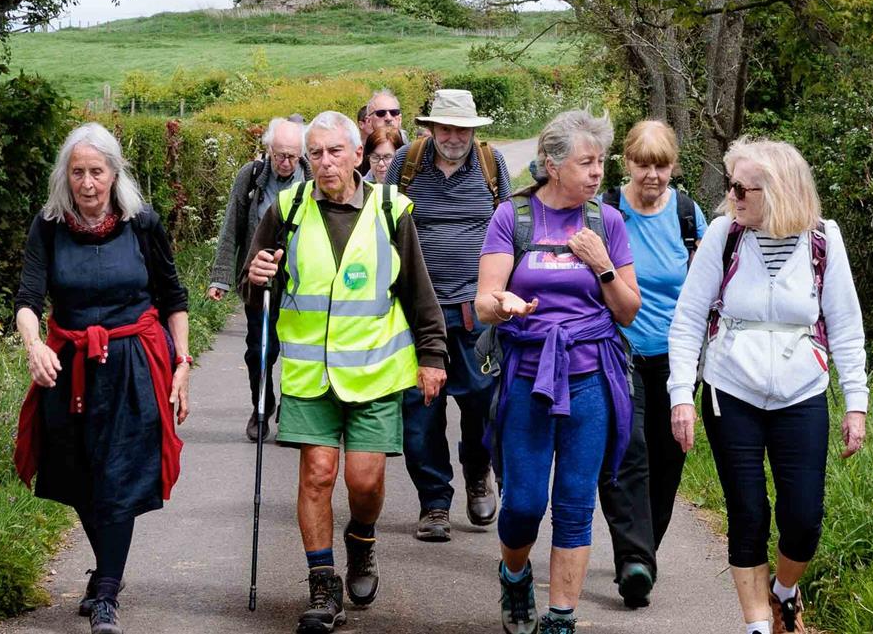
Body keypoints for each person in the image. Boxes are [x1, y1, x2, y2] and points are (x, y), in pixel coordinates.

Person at [242, 110, 448, 634]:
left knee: (364, 479)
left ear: (359, 155)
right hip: (311, 377)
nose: (325, 162)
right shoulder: (285, 210)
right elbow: (258, 295)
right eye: (316, 153)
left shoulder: (390, 210)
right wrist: (257, 278)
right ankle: (322, 583)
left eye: (335, 151)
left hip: (375, 373)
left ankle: (361, 539)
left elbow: (418, 293)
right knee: (317, 474)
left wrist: (432, 357)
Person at [667, 138, 869, 634]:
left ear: (777, 192)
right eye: (731, 185)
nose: (731, 196)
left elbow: (844, 324)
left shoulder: (824, 239)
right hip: (729, 390)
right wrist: (680, 396)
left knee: (803, 519)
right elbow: (688, 319)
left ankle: (783, 593)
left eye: (742, 188)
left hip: (802, 392)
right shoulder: (723, 235)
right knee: (748, 512)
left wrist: (856, 403)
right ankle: (759, 626)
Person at [12, 122, 191, 634]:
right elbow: (27, 300)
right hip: (68, 367)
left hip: (135, 362)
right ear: (65, 178)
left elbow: (173, 300)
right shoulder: (48, 226)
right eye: (78, 173)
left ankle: (108, 591)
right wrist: (34, 345)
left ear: (114, 174)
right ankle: (107, 574)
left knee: (119, 476)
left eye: (96, 172)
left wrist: (183, 365)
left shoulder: (142, 225)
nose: (87, 183)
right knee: (80, 476)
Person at [475, 110, 641, 634]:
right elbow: (483, 302)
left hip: (591, 376)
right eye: (586, 162)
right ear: (550, 164)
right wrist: (505, 305)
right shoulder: (513, 216)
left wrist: (602, 265)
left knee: (575, 502)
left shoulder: (605, 222)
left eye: (601, 162)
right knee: (523, 503)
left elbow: (628, 308)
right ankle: (515, 573)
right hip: (527, 374)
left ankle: (562, 617)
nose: (597, 172)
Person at [385, 88, 512, 542]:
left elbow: (511, 230)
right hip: (418, 314)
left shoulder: (492, 164)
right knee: (420, 413)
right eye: (446, 128)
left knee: (483, 404)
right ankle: (434, 503)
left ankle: (478, 471)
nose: (454, 136)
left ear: (473, 131)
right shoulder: (407, 162)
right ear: (431, 128)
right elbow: (385, 223)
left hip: (475, 314)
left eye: (462, 129)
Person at [595, 120, 707, 608]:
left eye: (662, 166)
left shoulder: (687, 215)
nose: (653, 176)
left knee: (668, 457)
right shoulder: (607, 212)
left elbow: (709, 284)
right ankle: (633, 559)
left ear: (673, 166)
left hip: (678, 355)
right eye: (644, 165)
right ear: (628, 163)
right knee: (628, 446)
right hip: (618, 348)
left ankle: (644, 553)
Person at [207, 116, 311, 443]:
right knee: (259, 348)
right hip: (258, 278)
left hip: (302, 283)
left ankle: (292, 408)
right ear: (268, 149)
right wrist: (221, 278)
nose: (285, 162)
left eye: (292, 156)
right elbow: (232, 227)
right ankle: (261, 406)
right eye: (279, 154)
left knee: (297, 349)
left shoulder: (313, 179)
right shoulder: (250, 177)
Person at [357, 88, 408, 174]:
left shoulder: (415, 153)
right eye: (380, 113)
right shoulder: (359, 157)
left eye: (394, 112)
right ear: (369, 120)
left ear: (400, 118)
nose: (388, 118)